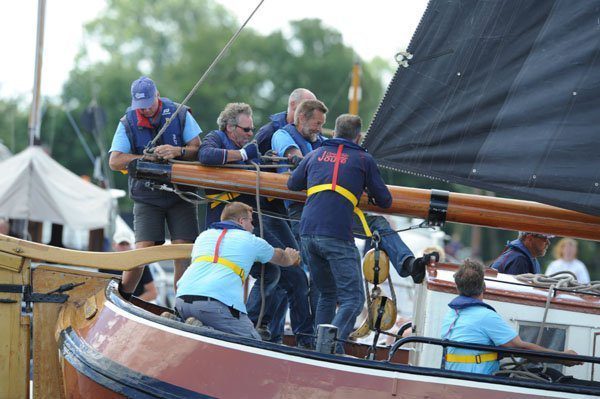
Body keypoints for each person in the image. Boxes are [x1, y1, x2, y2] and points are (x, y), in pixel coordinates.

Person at [288, 113, 393, 353]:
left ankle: (319, 347)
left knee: (326, 293)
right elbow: (385, 201)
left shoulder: (314, 155)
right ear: (358, 136)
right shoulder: (364, 160)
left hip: (307, 232)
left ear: (333, 133)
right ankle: (329, 347)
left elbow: (292, 184)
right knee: (353, 299)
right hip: (336, 234)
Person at [108, 76, 202, 296]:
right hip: (147, 197)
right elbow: (115, 161)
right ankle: (122, 298)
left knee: (183, 251)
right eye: (141, 106)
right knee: (142, 251)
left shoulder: (180, 114)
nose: (146, 109)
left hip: (182, 195)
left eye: (149, 104)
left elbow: (197, 147)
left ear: (157, 95)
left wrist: (177, 151)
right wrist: (145, 158)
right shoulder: (128, 122)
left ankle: (182, 305)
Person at [175, 202, 300, 339]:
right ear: (242, 221)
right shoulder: (250, 240)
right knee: (253, 343)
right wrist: (291, 256)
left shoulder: (203, 236)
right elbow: (281, 258)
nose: (253, 226)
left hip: (182, 301)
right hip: (214, 305)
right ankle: (204, 329)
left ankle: (180, 322)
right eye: (252, 222)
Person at [440, 259, 580, 375]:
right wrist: (562, 357)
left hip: (455, 376)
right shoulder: (485, 316)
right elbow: (521, 349)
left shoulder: (450, 314)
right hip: (476, 380)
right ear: (484, 287)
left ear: (457, 289)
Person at [255, 88, 317, 344]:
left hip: (286, 210)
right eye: (303, 111)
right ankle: (260, 323)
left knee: (286, 272)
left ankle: (272, 333)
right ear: (293, 107)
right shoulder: (272, 133)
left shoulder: (310, 136)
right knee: (286, 271)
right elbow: (252, 160)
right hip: (269, 210)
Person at [99, 232, 158, 302]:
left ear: (131, 246)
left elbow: (152, 293)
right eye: (121, 244)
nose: (124, 247)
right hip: (113, 305)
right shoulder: (105, 266)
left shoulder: (141, 264)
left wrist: (131, 305)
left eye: (127, 244)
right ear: (114, 245)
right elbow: (100, 291)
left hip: (130, 307)